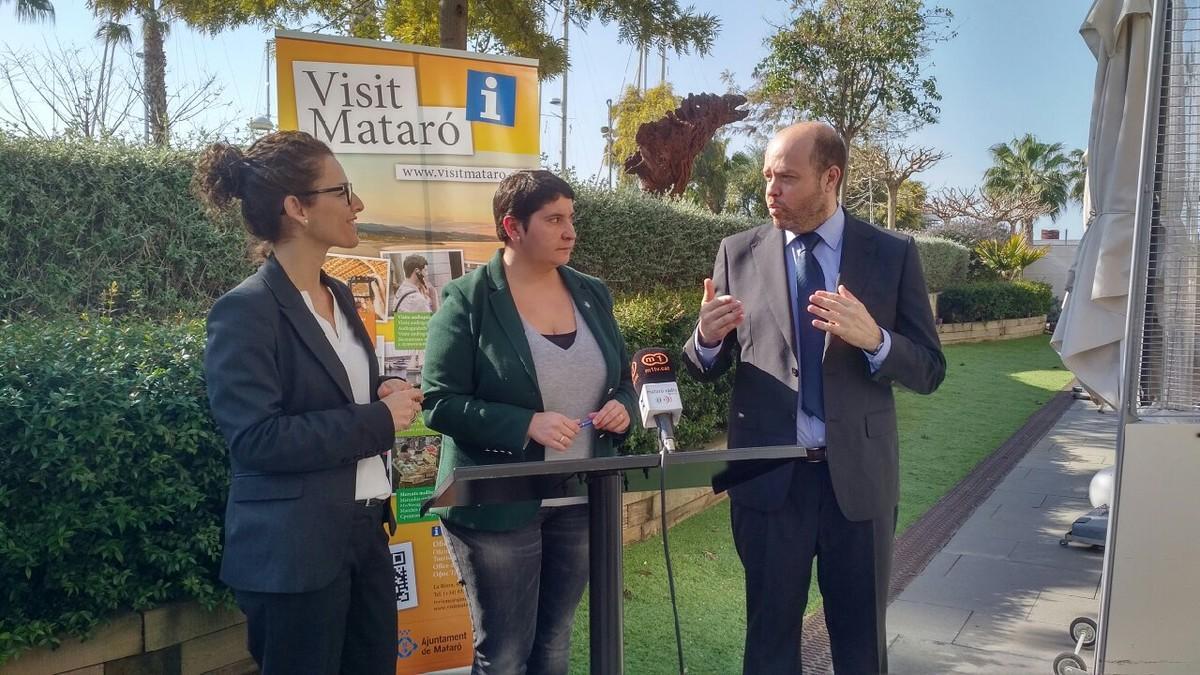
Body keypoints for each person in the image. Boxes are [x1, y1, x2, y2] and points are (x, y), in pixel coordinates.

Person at [682, 122, 946, 674]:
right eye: (767, 178)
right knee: (770, 641)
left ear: (832, 177)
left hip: (860, 481)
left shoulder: (892, 253)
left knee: (859, 644)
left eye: (787, 178)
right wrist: (705, 338)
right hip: (768, 480)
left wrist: (875, 339)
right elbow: (707, 365)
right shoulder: (738, 252)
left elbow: (929, 369)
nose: (770, 191)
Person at [198, 130, 425, 675]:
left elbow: (327, 394)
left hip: (366, 534)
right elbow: (256, 440)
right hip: (294, 555)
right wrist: (375, 420)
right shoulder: (244, 312)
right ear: (296, 208)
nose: (359, 204)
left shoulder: (340, 295)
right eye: (343, 191)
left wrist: (378, 394)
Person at [421, 169, 638, 674]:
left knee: (555, 640)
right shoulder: (467, 300)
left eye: (571, 219)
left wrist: (624, 405)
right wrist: (525, 424)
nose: (570, 232)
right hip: (499, 503)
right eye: (554, 219)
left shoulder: (592, 293)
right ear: (513, 227)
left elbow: (621, 379)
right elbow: (439, 402)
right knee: (504, 654)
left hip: (583, 497)